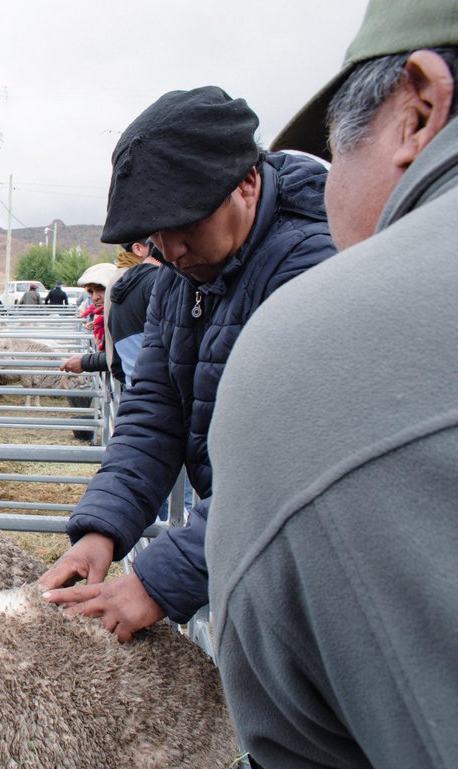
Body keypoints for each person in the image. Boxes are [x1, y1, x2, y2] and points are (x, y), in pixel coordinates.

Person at [206, 2, 458, 769]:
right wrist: (107, 521)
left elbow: (298, 738)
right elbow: (151, 403)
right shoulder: (188, 287)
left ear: (417, 112)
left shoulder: (318, 337)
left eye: (336, 147)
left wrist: (172, 567)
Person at [36, 86, 335, 644]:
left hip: (319, 575)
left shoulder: (313, 268)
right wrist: (102, 529)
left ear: (245, 182)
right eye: (156, 236)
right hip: (243, 552)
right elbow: (153, 416)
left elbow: (295, 467)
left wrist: (156, 583)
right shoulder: (182, 282)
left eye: (184, 227)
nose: (170, 250)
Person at [61, 244, 159, 388]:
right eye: (91, 292)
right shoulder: (105, 316)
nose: (95, 297)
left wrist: (85, 362)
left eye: (101, 289)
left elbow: (118, 356)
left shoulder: (127, 305)